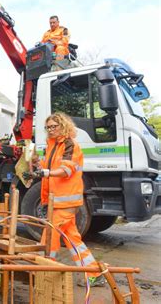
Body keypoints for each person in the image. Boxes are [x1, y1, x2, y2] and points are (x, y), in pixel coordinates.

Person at [24, 112, 104, 286]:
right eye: (48, 127)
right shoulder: (52, 146)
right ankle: (94, 273)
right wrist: (37, 164)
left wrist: (45, 172)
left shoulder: (69, 145)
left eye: (55, 126)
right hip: (59, 200)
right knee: (72, 239)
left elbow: (66, 170)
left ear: (63, 126)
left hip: (66, 201)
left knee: (49, 236)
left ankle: (44, 272)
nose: (51, 130)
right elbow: (47, 167)